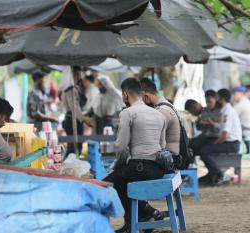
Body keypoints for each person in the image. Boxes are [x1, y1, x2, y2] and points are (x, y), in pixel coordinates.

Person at [103, 78, 166, 233]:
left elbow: (121, 147)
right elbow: (162, 146)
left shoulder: (127, 113)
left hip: (140, 168)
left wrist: (116, 166)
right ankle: (144, 216)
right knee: (123, 178)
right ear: (141, 94)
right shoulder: (158, 114)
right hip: (159, 169)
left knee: (110, 182)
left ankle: (133, 222)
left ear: (125, 95)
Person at [199, 89, 242, 185]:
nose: (216, 99)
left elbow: (225, 135)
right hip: (230, 142)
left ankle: (219, 174)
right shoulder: (225, 111)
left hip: (232, 144)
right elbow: (222, 130)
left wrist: (215, 142)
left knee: (204, 151)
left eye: (217, 97)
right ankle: (212, 174)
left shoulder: (227, 112)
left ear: (222, 99)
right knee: (205, 146)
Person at [140, 78, 180, 156]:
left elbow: (150, 138)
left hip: (167, 159)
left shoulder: (162, 111)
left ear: (145, 95)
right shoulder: (164, 106)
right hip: (166, 156)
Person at [62, 67, 90, 154]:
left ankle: (72, 164)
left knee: (77, 146)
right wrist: (86, 120)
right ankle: (71, 165)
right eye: (77, 74)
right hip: (72, 121)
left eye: (79, 74)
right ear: (71, 75)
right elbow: (75, 110)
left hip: (74, 120)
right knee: (73, 147)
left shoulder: (75, 89)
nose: (79, 77)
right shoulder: (70, 90)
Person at [185, 90, 222, 156]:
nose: (208, 104)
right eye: (206, 102)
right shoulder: (205, 110)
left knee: (194, 146)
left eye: (210, 102)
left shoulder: (220, 111)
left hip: (215, 137)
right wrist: (199, 123)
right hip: (206, 136)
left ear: (215, 99)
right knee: (188, 143)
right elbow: (200, 128)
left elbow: (221, 128)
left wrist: (211, 124)